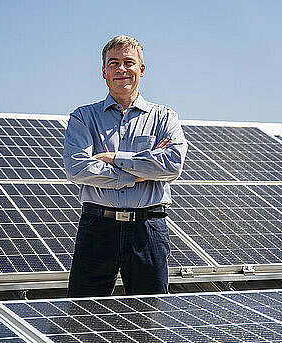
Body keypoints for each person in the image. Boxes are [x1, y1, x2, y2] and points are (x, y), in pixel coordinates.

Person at [63, 35, 188, 297]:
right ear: (103, 71)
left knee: (149, 316)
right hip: (98, 227)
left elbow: (172, 165)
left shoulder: (164, 117)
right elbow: (77, 168)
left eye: (129, 62)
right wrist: (138, 174)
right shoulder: (83, 117)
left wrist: (115, 158)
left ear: (141, 69)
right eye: (114, 63)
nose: (121, 69)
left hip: (148, 229)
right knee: (83, 314)